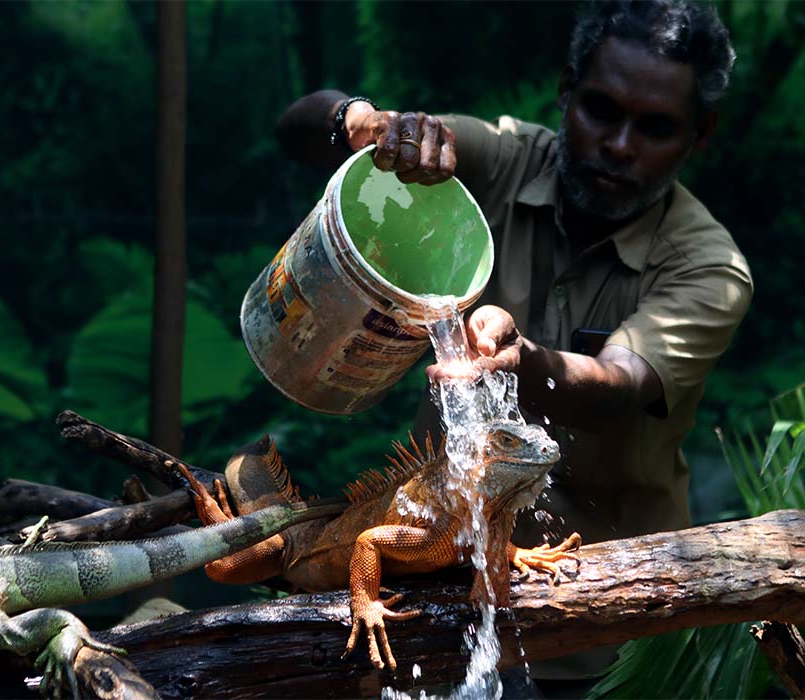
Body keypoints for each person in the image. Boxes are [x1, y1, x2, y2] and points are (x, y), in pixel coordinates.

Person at [277, 0, 752, 690]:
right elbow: (295, 129)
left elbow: (618, 385)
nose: (619, 143)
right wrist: (362, 123)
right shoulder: (501, 158)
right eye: (600, 110)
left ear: (699, 134)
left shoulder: (709, 266)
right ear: (566, 92)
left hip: (598, 622)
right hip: (432, 590)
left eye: (654, 127)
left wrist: (526, 365)